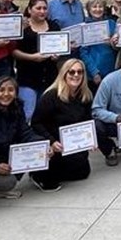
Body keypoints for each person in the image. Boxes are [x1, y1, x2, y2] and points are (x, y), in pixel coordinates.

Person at [0, 76, 49, 200]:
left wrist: (43, 145)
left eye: (11, 90)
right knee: (8, 182)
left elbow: (25, 133)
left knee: (34, 158)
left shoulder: (16, 110)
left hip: (5, 157)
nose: (6, 94)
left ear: (16, 94)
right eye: (1, 90)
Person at [29, 58, 96, 191]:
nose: (76, 75)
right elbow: (36, 123)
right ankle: (37, 174)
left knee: (83, 173)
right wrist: (52, 141)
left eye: (80, 72)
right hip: (54, 145)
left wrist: (90, 140)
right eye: (71, 72)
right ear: (64, 74)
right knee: (51, 182)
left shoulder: (85, 96)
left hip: (72, 144)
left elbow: (87, 122)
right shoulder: (51, 96)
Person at [12, 0, 61, 120]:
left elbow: (59, 47)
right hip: (27, 78)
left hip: (49, 78)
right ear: (29, 10)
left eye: (45, 8)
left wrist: (57, 56)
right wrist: (32, 57)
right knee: (28, 113)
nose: (42, 11)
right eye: (38, 8)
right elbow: (13, 51)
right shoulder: (23, 27)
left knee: (46, 115)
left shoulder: (54, 26)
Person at [80, 0, 117, 93]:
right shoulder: (85, 26)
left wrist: (112, 44)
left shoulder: (112, 24)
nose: (97, 9)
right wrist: (94, 72)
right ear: (89, 9)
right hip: (93, 73)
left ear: (104, 8)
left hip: (111, 71)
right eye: (94, 7)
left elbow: (118, 46)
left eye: (100, 6)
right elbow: (83, 52)